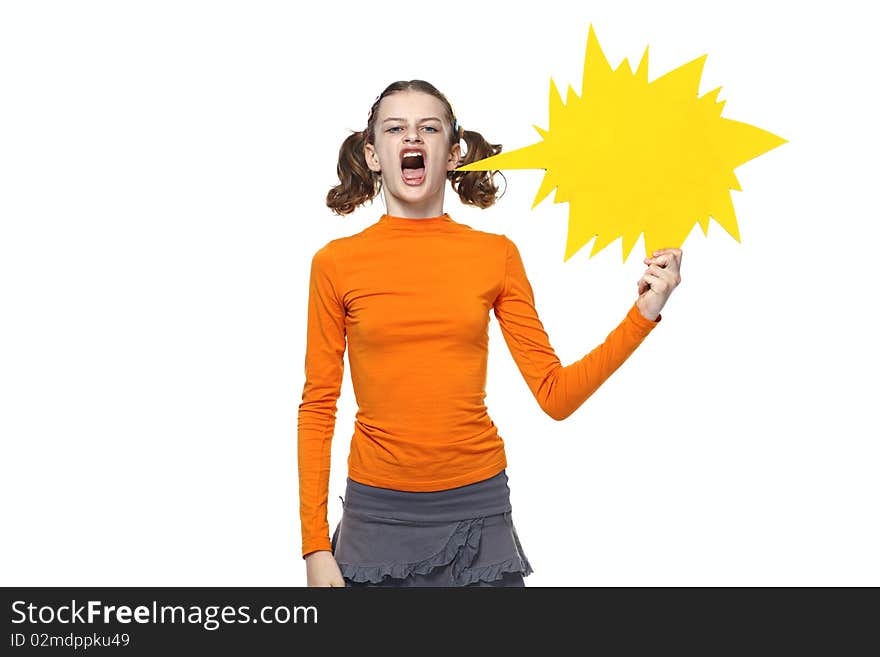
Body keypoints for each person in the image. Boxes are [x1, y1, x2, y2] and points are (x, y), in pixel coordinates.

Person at [299, 79, 682, 587]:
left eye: (429, 128)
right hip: (377, 518)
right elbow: (318, 406)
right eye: (395, 128)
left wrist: (644, 313)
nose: (412, 137)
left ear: (453, 152)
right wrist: (314, 546)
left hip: (477, 514)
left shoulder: (495, 255)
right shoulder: (334, 264)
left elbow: (556, 395)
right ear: (373, 154)